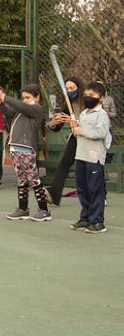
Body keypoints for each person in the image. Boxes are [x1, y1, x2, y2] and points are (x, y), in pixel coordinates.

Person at [0, 85, 51, 222]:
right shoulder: (20, 110)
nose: (24, 100)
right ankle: (23, 209)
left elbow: (20, 106)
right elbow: (7, 110)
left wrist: (3, 96)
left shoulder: (37, 109)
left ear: (37, 98)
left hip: (27, 149)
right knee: (22, 179)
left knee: (34, 179)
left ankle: (44, 210)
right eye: (23, 98)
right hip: (15, 148)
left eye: (28, 97)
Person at [69, 81, 111, 234]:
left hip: (94, 158)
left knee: (95, 190)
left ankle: (97, 222)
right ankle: (85, 217)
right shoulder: (83, 114)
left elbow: (100, 133)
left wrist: (81, 130)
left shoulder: (102, 115)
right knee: (83, 189)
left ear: (101, 97)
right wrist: (74, 127)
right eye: (86, 95)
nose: (87, 98)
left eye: (92, 95)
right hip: (81, 156)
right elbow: (78, 133)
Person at [45, 77, 84, 205]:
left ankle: (101, 195)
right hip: (75, 137)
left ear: (79, 88)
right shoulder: (68, 104)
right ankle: (54, 195)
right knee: (64, 164)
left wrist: (73, 120)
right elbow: (57, 127)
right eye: (67, 89)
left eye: (72, 88)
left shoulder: (87, 102)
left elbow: (89, 123)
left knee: (89, 168)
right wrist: (53, 123)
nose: (69, 91)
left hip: (89, 137)